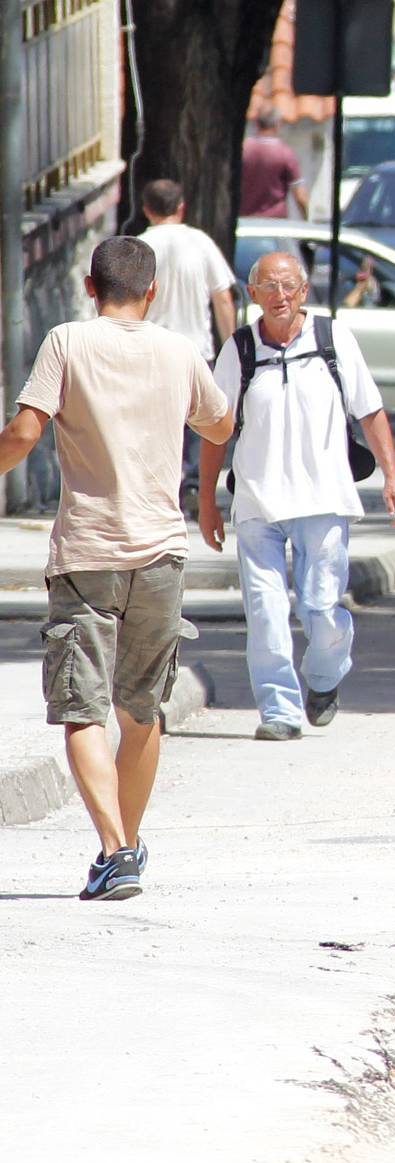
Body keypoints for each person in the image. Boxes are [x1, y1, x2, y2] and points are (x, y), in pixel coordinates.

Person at [0, 238, 233, 900]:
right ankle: (123, 849)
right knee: (141, 712)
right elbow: (219, 425)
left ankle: (116, 848)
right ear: (152, 291)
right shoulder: (180, 351)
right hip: (162, 554)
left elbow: (22, 434)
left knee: (81, 711)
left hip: (88, 555)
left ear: (88, 286)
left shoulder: (67, 343)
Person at [197, 252, 395, 741]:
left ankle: (324, 676)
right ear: (253, 295)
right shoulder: (241, 350)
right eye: (268, 286)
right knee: (266, 612)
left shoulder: (333, 340)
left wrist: (392, 479)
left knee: (320, 607)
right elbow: (215, 430)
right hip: (257, 502)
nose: (280, 295)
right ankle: (279, 712)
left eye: (288, 285)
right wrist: (207, 501)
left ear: (304, 291)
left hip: (324, 500)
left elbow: (370, 412)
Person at [137, 178, 237, 363]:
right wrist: (232, 354)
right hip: (196, 354)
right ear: (181, 207)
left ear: (146, 211)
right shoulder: (201, 242)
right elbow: (223, 299)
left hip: (151, 356)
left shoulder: (138, 248)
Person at [239, 109, 310, 219]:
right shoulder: (284, 153)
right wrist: (306, 219)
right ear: (278, 124)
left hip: (245, 222)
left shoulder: (243, 149)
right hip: (274, 223)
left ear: (256, 124)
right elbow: (299, 194)